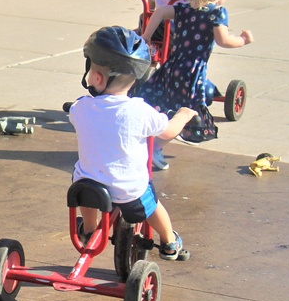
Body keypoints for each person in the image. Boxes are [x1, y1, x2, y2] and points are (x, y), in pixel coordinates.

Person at [70, 26, 195, 262]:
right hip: (129, 193)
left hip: (86, 189)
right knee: (153, 204)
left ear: (96, 77)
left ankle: (89, 229)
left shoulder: (80, 107)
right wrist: (184, 115)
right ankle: (169, 241)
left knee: (84, 179)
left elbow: (78, 116)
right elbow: (168, 131)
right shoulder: (139, 110)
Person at [135, 0, 254, 166]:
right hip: (192, 72)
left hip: (172, 66)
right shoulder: (217, 13)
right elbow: (223, 40)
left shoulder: (184, 8)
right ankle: (154, 149)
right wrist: (243, 40)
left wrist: (146, 35)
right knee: (187, 114)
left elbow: (161, 11)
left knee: (164, 106)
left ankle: (146, 142)